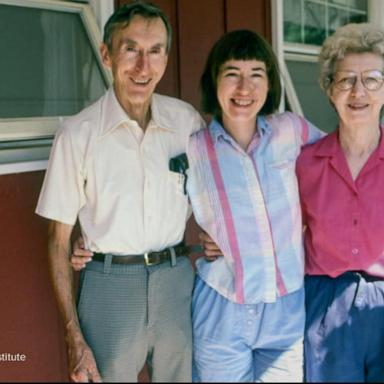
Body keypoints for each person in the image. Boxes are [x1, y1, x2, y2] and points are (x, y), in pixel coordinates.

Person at [35, 1, 204, 382]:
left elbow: (210, 201)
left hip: (176, 281)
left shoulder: (186, 123)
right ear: (106, 54)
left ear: (166, 56)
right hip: (109, 286)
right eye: (131, 49)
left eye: (155, 51)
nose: (144, 67)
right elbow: (57, 241)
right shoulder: (78, 135)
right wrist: (73, 337)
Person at [185, 29, 324, 382]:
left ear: (270, 83)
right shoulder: (193, 146)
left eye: (256, 75)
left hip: (285, 307)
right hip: (222, 304)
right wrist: (195, 237)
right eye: (232, 74)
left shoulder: (292, 131)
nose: (244, 89)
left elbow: (337, 166)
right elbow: (153, 203)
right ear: (214, 81)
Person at [296, 22, 384, 382]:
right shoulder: (305, 163)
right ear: (330, 90)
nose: (358, 91)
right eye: (346, 80)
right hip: (325, 304)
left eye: (372, 78)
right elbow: (278, 226)